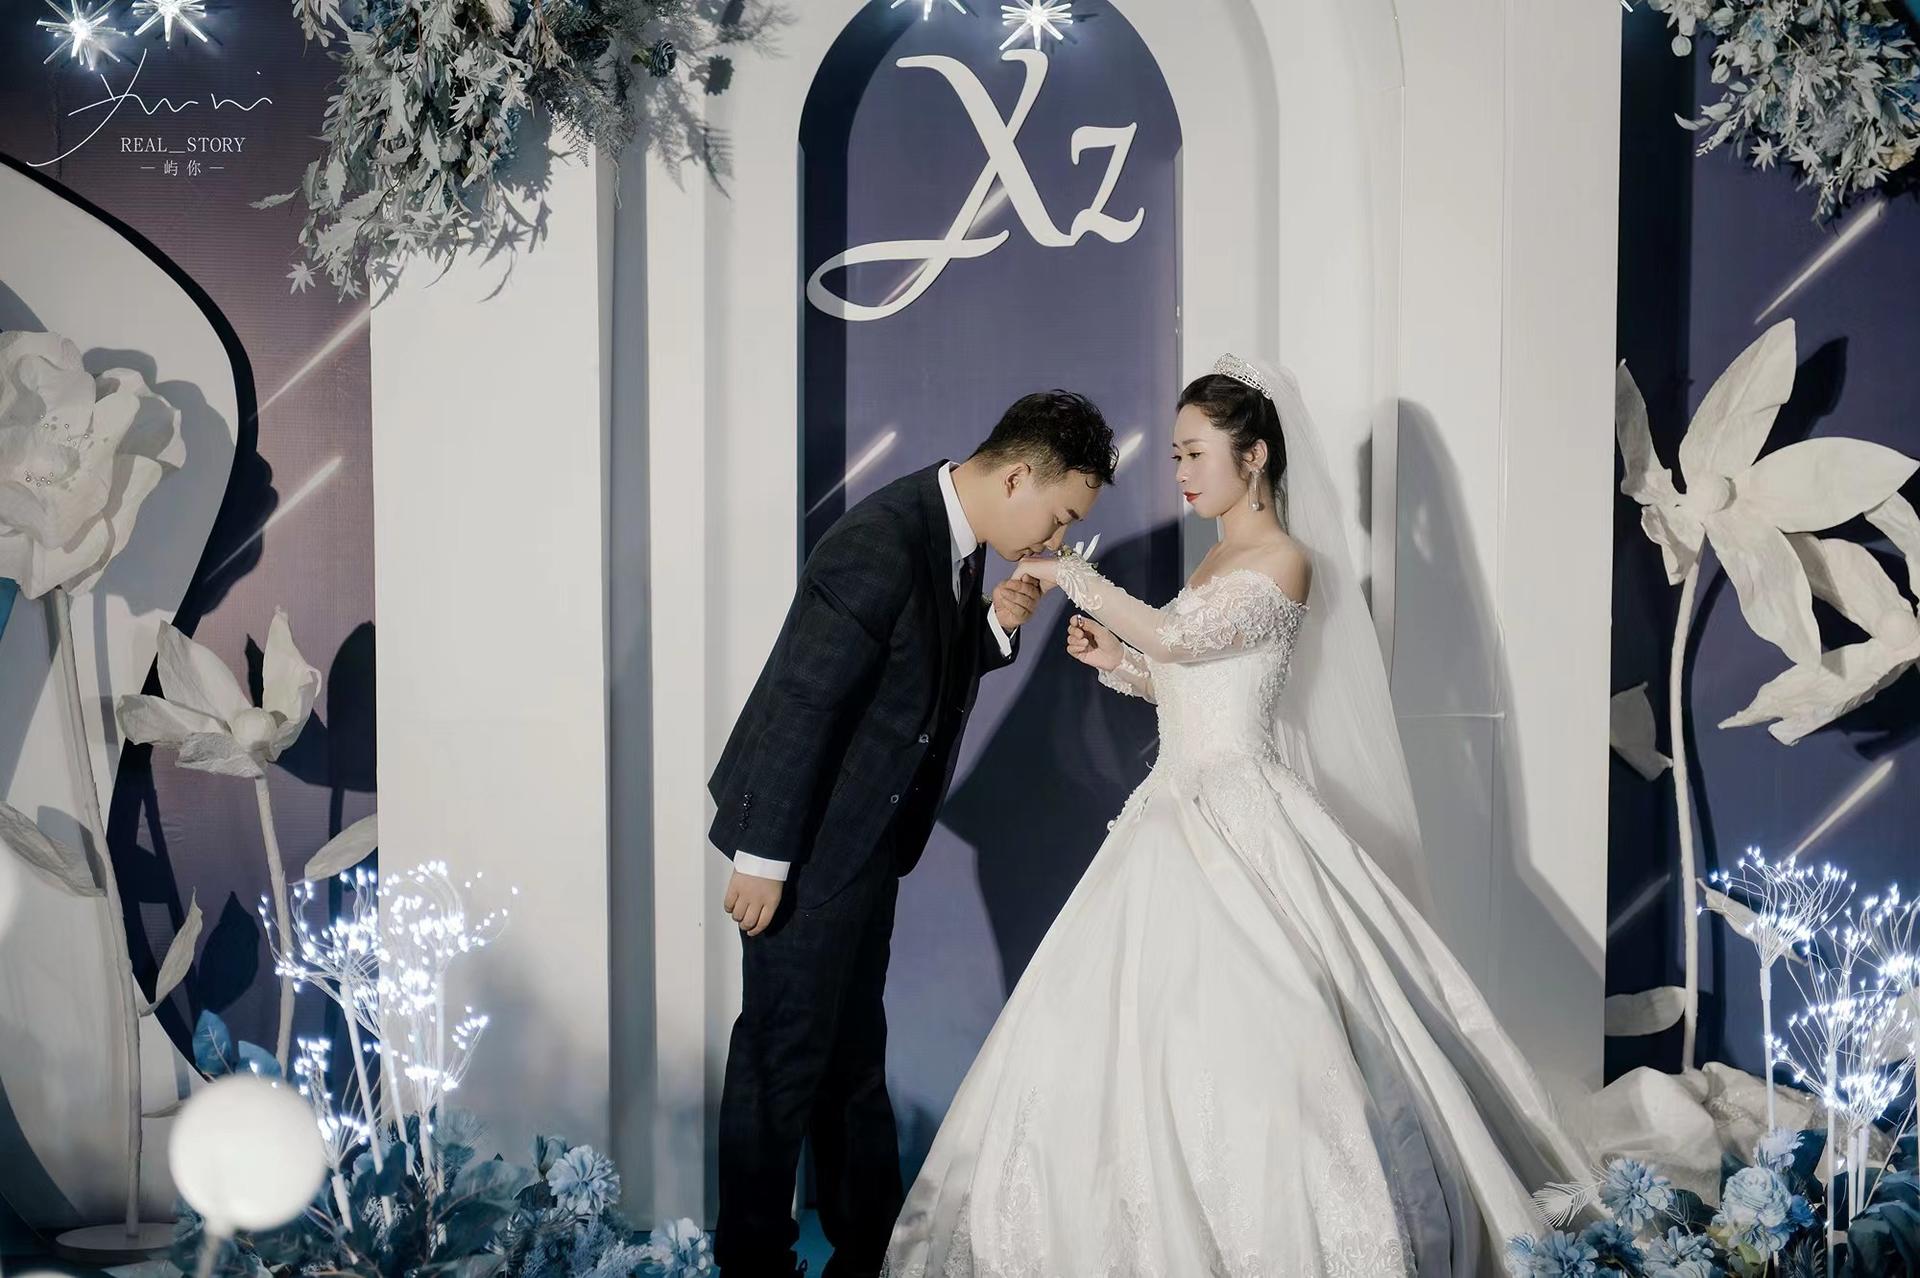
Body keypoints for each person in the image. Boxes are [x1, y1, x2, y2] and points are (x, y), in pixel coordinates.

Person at [881, 356, 1586, 1277]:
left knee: (1273, 1023)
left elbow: (1180, 639)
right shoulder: (1214, 559)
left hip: (1241, 813)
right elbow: (1189, 681)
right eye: (1176, 453)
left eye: (1194, 452)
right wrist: (1116, 664)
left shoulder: (1284, 560)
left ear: (1253, 457)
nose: (1180, 471)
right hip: (1173, 805)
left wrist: (1071, 577)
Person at [709, 390, 1118, 1278]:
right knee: (781, 1064)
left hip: (863, 845)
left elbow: (911, 678)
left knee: (854, 1061)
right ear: (1017, 476)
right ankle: (751, 1265)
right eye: (1060, 515)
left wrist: (997, 624)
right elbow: (805, 701)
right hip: (806, 846)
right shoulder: (882, 540)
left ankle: (871, 1257)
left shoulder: (956, 540)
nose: (1057, 538)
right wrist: (763, 857)